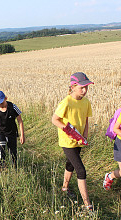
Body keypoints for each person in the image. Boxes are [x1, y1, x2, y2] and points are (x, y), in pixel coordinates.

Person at [51, 72, 94, 212]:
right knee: (80, 170)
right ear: (73, 87)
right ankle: (88, 205)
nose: (85, 90)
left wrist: (85, 135)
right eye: (82, 87)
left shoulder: (86, 102)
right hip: (67, 141)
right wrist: (68, 131)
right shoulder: (66, 102)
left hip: (79, 140)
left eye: (86, 87)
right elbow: (54, 119)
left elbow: (86, 119)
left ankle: (64, 188)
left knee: (70, 163)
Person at [0, 91, 25, 169]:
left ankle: (14, 169)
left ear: (5, 98)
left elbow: (20, 121)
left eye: (1, 103)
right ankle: (2, 169)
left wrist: (22, 135)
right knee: (0, 151)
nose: (0, 105)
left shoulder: (13, 107)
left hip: (11, 132)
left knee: (13, 153)